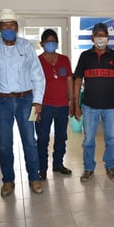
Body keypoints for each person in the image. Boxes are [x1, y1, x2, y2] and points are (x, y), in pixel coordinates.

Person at [0, 9, 46, 196]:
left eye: (12, 26)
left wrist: (37, 101)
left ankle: (34, 178)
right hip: (1, 101)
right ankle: (8, 180)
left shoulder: (26, 46)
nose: (8, 29)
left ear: (17, 28)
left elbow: (37, 75)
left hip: (26, 100)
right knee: (4, 142)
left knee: (29, 140)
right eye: (5, 26)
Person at [73, 22, 114, 182]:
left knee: (111, 139)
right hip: (89, 106)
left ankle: (110, 166)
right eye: (98, 35)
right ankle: (88, 168)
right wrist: (75, 104)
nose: (101, 38)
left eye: (104, 35)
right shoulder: (85, 56)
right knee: (88, 139)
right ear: (92, 37)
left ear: (108, 37)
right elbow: (77, 80)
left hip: (111, 107)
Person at [35, 29, 73, 180]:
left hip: (63, 105)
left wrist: (72, 101)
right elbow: (31, 84)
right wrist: (34, 109)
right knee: (43, 138)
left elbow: (69, 80)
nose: (51, 44)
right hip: (43, 107)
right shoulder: (36, 61)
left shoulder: (64, 59)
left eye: (54, 41)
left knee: (61, 136)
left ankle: (58, 164)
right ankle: (42, 168)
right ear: (42, 43)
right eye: (48, 41)